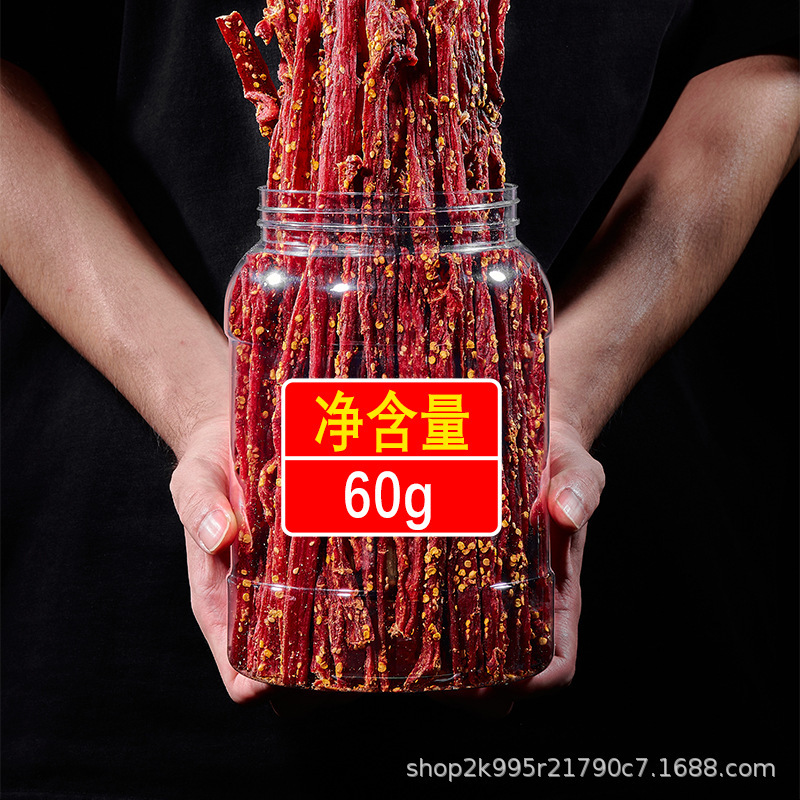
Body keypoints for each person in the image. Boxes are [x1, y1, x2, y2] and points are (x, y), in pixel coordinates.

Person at [2, 2, 797, 796]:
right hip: (118, 613)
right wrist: (226, 419)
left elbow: (765, 56)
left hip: (639, 592)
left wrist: (545, 404)